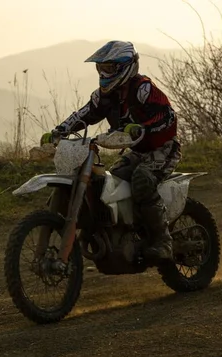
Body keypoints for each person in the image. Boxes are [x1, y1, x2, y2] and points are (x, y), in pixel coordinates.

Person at [40, 40, 181, 263]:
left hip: (163, 148)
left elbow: (168, 117)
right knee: (110, 185)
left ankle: (163, 242)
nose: (103, 73)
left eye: (109, 68)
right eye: (101, 68)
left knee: (142, 179)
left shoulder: (143, 89)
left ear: (125, 67)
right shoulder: (104, 96)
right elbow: (83, 115)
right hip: (137, 152)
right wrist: (59, 131)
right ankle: (126, 231)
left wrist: (141, 128)